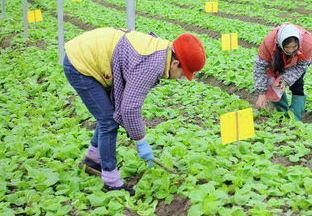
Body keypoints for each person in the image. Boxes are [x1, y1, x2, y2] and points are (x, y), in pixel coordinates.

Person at [63, 28, 206, 196]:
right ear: (175, 63)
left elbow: (125, 104)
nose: (181, 77)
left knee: (108, 113)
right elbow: (129, 109)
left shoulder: (163, 51)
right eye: (183, 73)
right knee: (108, 121)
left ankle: (93, 160)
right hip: (80, 63)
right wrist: (141, 141)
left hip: (91, 54)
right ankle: (111, 181)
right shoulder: (152, 65)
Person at [253, 23, 312, 121]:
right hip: (277, 57)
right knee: (272, 82)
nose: (291, 50)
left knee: (297, 84)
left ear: (298, 43)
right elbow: (260, 67)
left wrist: (285, 80)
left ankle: (295, 119)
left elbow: (300, 67)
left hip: (299, 60)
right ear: (280, 43)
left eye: (294, 46)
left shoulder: (307, 44)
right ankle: (282, 113)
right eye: (288, 47)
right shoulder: (269, 43)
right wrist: (261, 93)